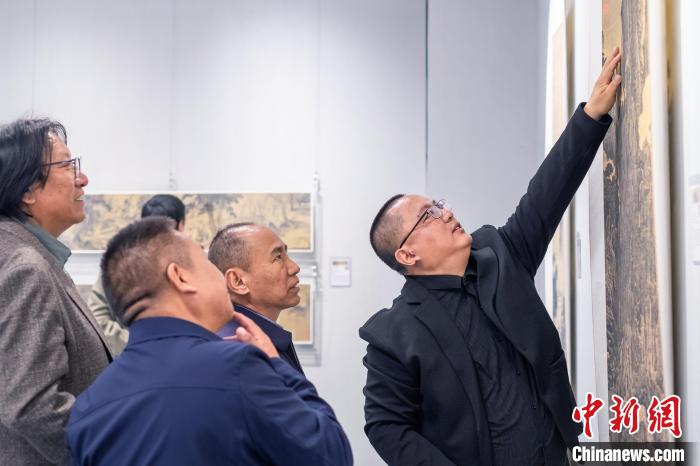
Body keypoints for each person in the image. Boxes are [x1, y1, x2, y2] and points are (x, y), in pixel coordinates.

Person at [360, 48, 623, 466]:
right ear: (407, 253)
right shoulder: (394, 336)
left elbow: (545, 196)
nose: (446, 213)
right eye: (428, 215)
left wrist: (591, 116)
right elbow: (385, 427)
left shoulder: (500, 256)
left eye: (439, 204)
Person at [66, 217, 352, 465]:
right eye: (206, 264)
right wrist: (276, 365)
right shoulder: (237, 366)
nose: (220, 276)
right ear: (180, 277)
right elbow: (331, 454)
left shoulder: (88, 407)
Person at [0, 119, 113, 465]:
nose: (83, 178)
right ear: (27, 191)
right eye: (67, 165)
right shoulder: (25, 267)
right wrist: (114, 448)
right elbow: (33, 406)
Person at [87, 194, 186, 354]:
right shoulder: (193, 267)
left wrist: (132, 342)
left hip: (132, 358)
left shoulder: (117, 263)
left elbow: (97, 319)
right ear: (181, 226)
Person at [208, 222, 305, 374]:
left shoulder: (258, 339)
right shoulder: (240, 352)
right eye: (278, 257)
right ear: (238, 281)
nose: (294, 268)